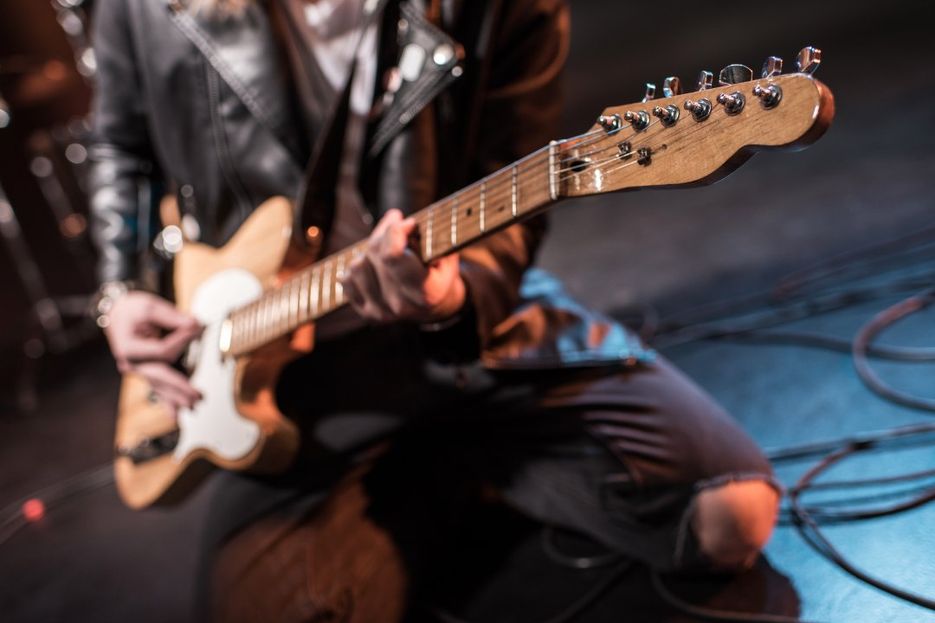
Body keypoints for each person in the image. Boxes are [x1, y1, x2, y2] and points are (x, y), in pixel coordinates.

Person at [89, 0, 781, 620]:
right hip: (295, 378)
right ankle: (453, 475)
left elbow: (511, 200)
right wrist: (118, 293)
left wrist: (452, 297)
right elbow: (118, 148)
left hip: (471, 327)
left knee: (729, 516)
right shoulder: (142, 8)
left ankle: (440, 473)